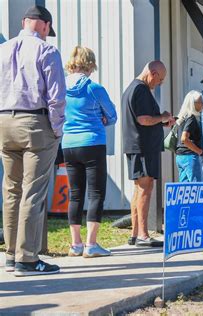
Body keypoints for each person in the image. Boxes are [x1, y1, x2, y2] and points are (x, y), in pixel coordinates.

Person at [0, 5, 65, 276]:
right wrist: (57, 130)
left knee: (11, 189)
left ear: (25, 22)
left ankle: (12, 253)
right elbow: (56, 97)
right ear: (45, 27)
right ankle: (27, 258)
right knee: (33, 190)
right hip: (35, 123)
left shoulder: (3, 49)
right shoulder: (46, 50)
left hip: (5, 121)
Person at [63, 46, 117, 258]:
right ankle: (91, 245)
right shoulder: (95, 88)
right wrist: (102, 119)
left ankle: (75, 245)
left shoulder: (60, 88)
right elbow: (112, 116)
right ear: (90, 64)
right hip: (92, 142)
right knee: (96, 193)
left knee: (75, 194)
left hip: (68, 144)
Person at [122, 61, 175, 247]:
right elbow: (143, 119)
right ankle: (144, 234)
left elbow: (143, 119)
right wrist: (163, 117)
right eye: (159, 79)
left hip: (136, 145)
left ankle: (135, 233)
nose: (159, 84)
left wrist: (161, 122)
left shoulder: (131, 88)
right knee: (145, 187)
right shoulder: (141, 90)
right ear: (152, 73)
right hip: (143, 147)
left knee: (139, 188)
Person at [175, 90, 203, 182]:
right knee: (195, 188)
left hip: (180, 156)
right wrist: (198, 151)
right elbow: (184, 138)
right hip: (189, 156)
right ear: (193, 104)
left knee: (185, 189)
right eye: (201, 102)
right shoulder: (191, 118)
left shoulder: (182, 117)